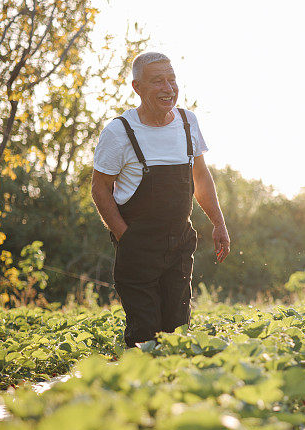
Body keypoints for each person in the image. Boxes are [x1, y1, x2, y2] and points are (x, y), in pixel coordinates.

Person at [91, 52, 230, 348]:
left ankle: (173, 392)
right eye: (157, 81)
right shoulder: (119, 132)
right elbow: (100, 189)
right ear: (137, 87)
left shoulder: (187, 122)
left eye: (172, 79)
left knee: (177, 333)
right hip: (137, 250)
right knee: (145, 337)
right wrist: (124, 236)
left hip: (179, 246)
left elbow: (201, 177)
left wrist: (219, 223)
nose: (168, 88)